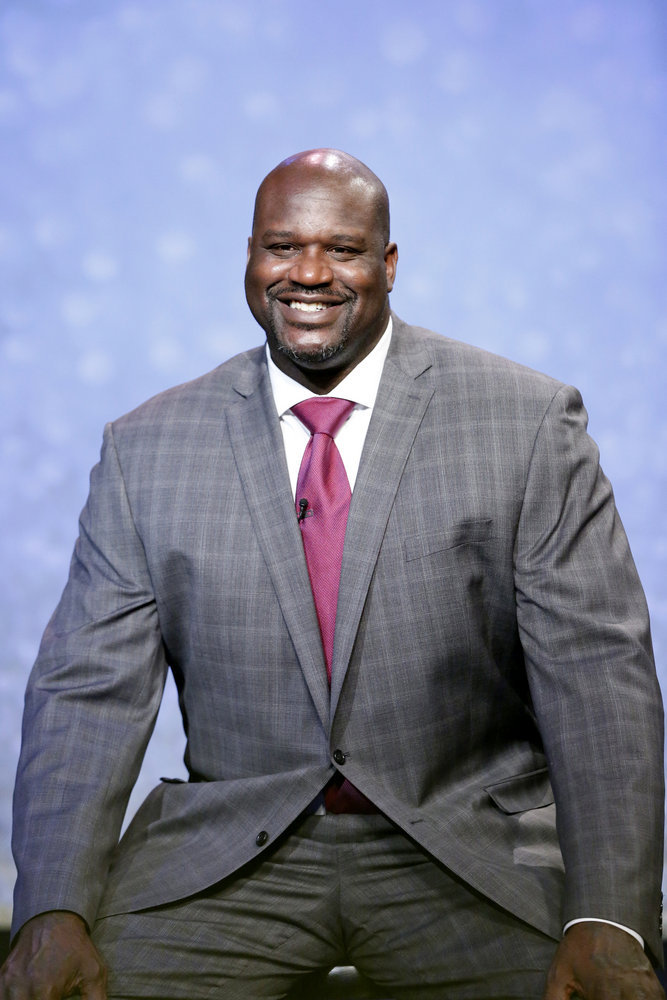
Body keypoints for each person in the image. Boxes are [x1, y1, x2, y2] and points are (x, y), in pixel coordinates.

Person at [0, 148, 663, 1000]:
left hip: (467, 850)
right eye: (281, 247)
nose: (308, 274)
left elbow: (596, 675)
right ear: (249, 258)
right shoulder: (147, 448)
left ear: (387, 266)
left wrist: (608, 915)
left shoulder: (526, 421)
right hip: (230, 854)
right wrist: (51, 906)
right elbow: (86, 693)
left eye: (342, 250)